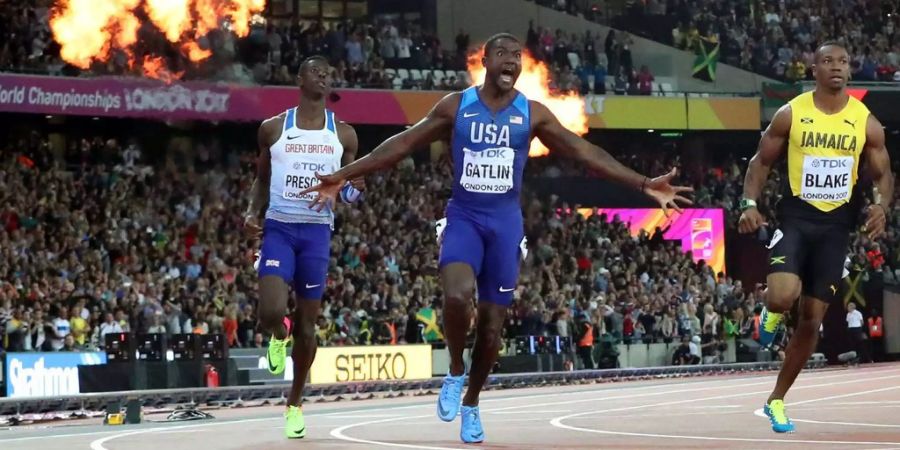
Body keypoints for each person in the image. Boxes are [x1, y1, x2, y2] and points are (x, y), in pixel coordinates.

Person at [299, 33, 692, 443]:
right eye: (502, 54)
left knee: (490, 330)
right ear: (484, 62)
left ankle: (471, 401)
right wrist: (343, 175)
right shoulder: (456, 106)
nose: (510, 61)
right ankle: (454, 370)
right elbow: (401, 144)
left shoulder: (533, 113)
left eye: (517, 57)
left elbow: (583, 151)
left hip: (505, 225)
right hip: (465, 217)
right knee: (456, 296)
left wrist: (644, 183)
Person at [737, 42, 894, 433]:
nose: (837, 67)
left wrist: (881, 206)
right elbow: (761, 162)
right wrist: (747, 203)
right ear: (814, 70)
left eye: (843, 61)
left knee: (811, 320)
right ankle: (771, 311)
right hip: (796, 219)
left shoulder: (865, 122)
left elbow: (883, 175)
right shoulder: (792, 114)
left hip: (836, 229)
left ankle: (776, 399)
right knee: (782, 295)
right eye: (828, 62)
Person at [243, 55, 364, 439]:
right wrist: (251, 212)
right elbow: (261, 179)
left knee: (309, 327)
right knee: (271, 311)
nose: (324, 75)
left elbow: (349, 193)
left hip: (316, 233)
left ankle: (294, 405)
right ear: (299, 79)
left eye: (329, 72)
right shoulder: (273, 128)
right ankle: (279, 334)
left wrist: (351, 191)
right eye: (316, 70)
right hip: (280, 227)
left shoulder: (343, 134)